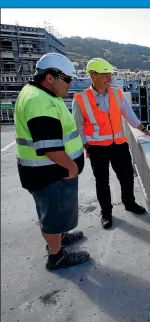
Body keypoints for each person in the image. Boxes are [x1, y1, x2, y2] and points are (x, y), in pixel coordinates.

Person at [15, 52, 90, 270]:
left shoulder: (41, 95)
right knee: (52, 213)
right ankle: (56, 256)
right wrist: (71, 166)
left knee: (55, 211)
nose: (70, 84)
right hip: (50, 172)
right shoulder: (39, 101)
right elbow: (49, 146)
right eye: (67, 79)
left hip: (48, 172)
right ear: (50, 77)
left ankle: (59, 237)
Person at [72, 58, 150, 229]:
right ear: (93, 75)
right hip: (97, 148)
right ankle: (106, 213)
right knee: (102, 182)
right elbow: (77, 126)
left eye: (110, 75)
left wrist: (143, 129)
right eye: (105, 75)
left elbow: (128, 114)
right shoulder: (81, 99)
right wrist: (87, 146)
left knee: (126, 176)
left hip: (119, 144)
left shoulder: (117, 94)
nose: (109, 79)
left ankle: (129, 203)